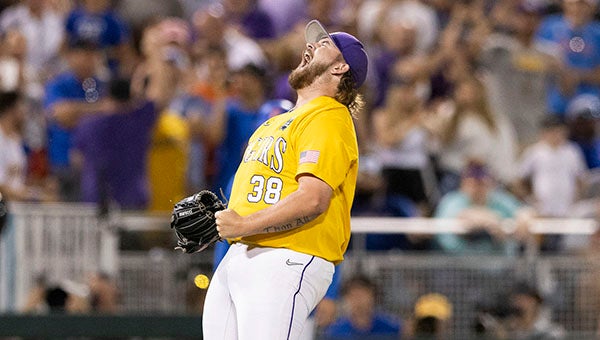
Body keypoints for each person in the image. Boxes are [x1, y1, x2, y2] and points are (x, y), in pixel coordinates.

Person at [203, 19, 368, 339]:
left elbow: (312, 198)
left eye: (323, 45)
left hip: (288, 256)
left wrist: (243, 226)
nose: (310, 46)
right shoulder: (272, 123)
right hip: (240, 255)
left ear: (340, 67)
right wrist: (220, 221)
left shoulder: (329, 115)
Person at [322, 274, 402, 340]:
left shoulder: (390, 328)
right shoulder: (336, 332)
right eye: (353, 295)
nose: (358, 301)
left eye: (362, 295)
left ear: (372, 296)